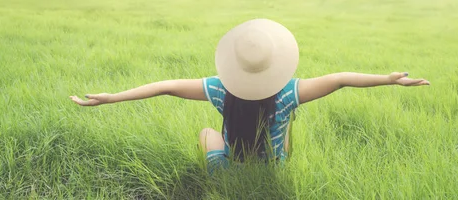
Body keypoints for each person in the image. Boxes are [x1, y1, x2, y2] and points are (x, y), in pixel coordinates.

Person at [70, 19, 430, 174]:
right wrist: (388, 79)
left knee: (205, 133)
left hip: (230, 164)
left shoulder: (218, 90)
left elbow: (165, 85)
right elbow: (339, 79)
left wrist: (112, 97)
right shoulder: (290, 93)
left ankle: (221, 172)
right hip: (274, 166)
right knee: (287, 124)